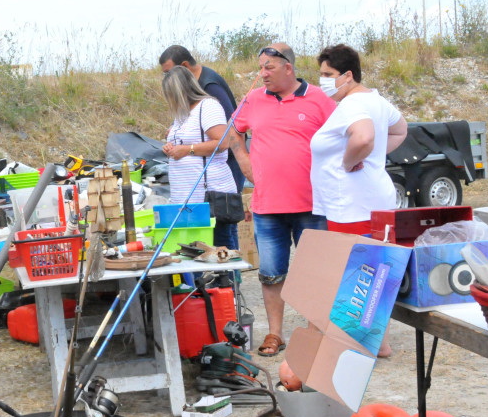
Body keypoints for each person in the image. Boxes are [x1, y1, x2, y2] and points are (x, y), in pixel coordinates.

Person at [231, 43, 336, 356]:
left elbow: (342, 136)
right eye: (260, 68)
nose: (262, 74)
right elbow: (232, 133)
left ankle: (316, 334)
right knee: (271, 274)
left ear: (288, 68)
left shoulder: (319, 98)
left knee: (314, 273)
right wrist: (245, 161)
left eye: (268, 68)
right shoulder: (252, 99)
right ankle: (275, 334)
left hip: (312, 206)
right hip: (268, 207)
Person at [311, 43, 408, 357]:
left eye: (328, 74)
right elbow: (400, 130)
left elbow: (363, 137)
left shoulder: (352, 105)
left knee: (354, 271)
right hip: (375, 197)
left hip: (350, 202)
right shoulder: (375, 100)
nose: (323, 80)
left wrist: (350, 161)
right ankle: (379, 341)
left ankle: (354, 344)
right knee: (378, 269)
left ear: (347, 75)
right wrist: (376, 157)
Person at [159, 45, 244, 250]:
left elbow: (222, 143)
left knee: (220, 252)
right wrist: (171, 146)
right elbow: (186, 141)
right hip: (187, 200)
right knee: (194, 253)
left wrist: (186, 150)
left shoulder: (209, 106)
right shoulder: (183, 113)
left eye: (172, 94)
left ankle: (230, 283)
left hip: (210, 199)